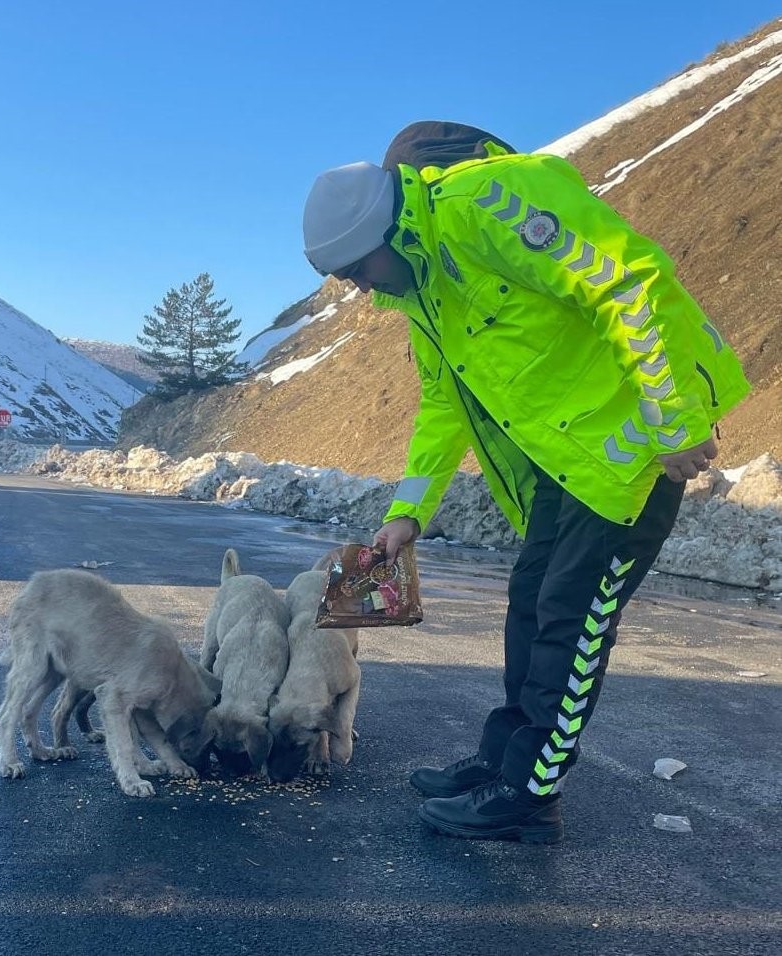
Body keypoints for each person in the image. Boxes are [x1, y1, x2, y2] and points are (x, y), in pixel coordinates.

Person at [301, 122, 751, 844]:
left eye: (357, 269)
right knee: (529, 607)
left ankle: (530, 790)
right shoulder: (422, 289)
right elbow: (443, 402)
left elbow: (624, 280)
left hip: (633, 452)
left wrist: (674, 418)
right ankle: (500, 760)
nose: (357, 287)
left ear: (386, 226)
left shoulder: (491, 199)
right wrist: (407, 511)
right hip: (563, 462)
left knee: (572, 621)